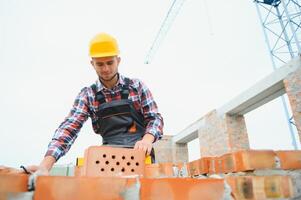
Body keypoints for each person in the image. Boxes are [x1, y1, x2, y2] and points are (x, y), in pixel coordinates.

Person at [27, 33, 164, 175]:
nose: (105, 69)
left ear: (118, 60)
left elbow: (154, 118)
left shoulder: (136, 86)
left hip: (141, 155)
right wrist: (45, 165)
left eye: (110, 62)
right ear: (92, 64)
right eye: (100, 64)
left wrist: (147, 140)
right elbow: (69, 129)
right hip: (108, 158)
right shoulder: (88, 95)